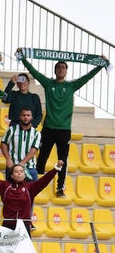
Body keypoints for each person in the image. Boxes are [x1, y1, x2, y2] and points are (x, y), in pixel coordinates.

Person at [20, 52, 105, 197]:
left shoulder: (71, 86)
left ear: (66, 71)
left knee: (62, 160)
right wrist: (23, 58)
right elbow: (34, 72)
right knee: (42, 157)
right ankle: (36, 183)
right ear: (54, 70)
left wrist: (100, 65)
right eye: (58, 67)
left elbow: (87, 77)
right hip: (48, 128)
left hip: (64, 130)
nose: (60, 69)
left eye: (63, 67)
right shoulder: (48, 84)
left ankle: (60, 188)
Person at [1, 108, 41, 179]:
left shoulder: (36, 133)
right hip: (13, 166)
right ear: (20, 117)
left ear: (31, 117)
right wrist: (8, 159)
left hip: (30, 167)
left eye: (28, 115)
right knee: (11, 189)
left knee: (34, 189)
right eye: (24, 115)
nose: (26, 117)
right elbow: (3, 144)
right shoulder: (11, 130)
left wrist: (23, 162)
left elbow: (34, 149)